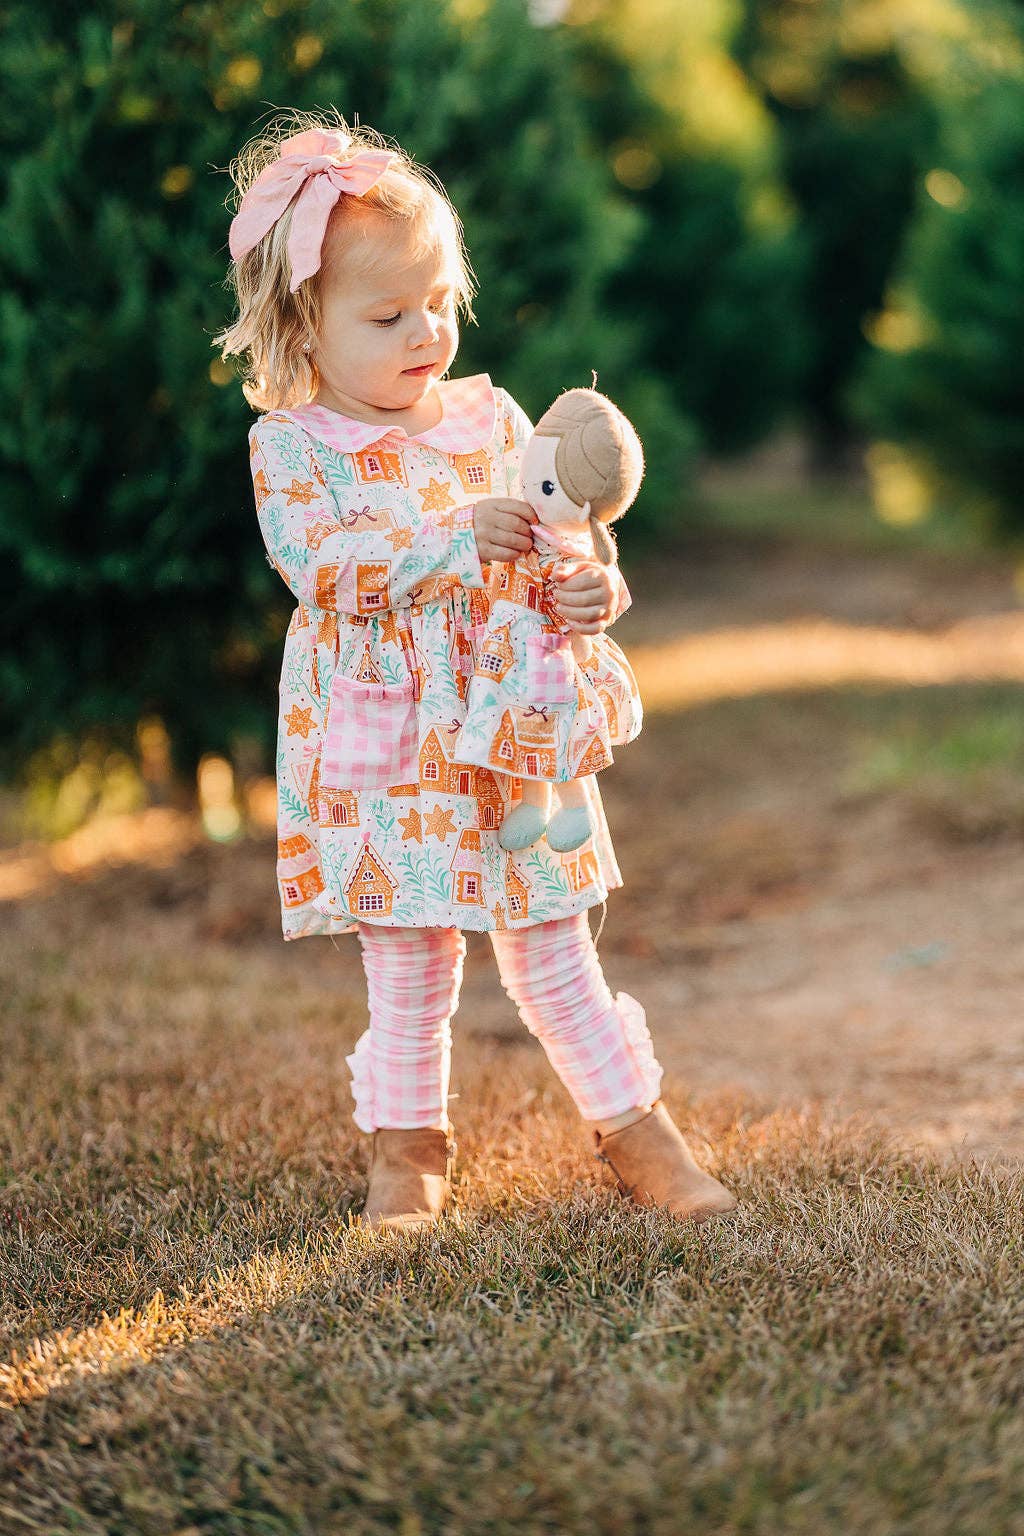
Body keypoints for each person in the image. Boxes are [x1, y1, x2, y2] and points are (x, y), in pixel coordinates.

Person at [214, 111, 738, 1232]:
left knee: (553, 941)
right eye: (388, 314)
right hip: (390, 745)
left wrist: (592, 584)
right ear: (304, 323)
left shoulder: (493, 417)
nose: (425, 332)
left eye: (440, 302)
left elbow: (563, 537)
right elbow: (321, 568)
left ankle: (638, 1134)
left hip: (506, 730)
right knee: (412, 960)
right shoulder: (295, 448)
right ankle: (409, 1154)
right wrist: (451, 540)